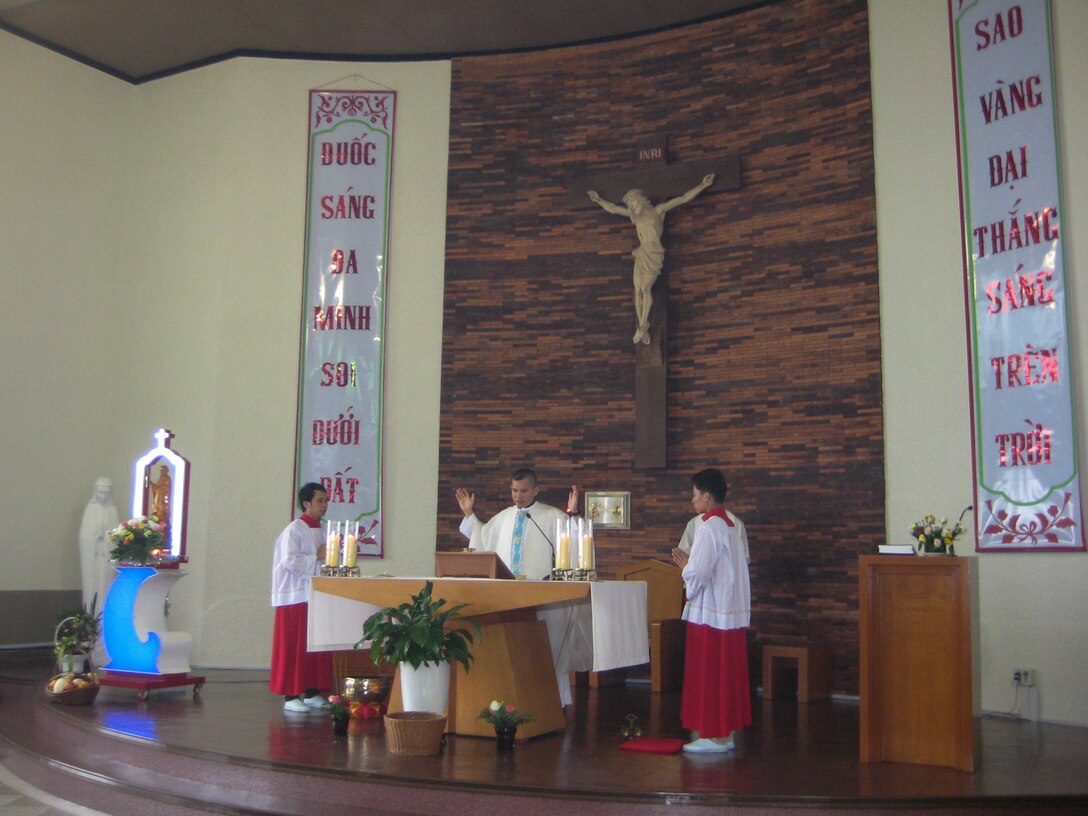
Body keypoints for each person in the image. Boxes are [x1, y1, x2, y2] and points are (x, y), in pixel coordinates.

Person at [670, 468, 751, 753]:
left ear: (706, 495)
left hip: (710, 612)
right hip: (727, 611)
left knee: (709, 671)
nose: (692, 501)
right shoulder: (730, 524)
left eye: (694, 495)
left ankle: (711, 735)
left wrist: (685, 568)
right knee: (724, 671)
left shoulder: (707, 527)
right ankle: (724, 733)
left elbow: (699, 573)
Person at [587, 174, 714, 344]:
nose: (631, 206)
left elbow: (682, 199)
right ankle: (642, 325)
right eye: (629, 204)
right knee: (637, 290)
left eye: (633, 202)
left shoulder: (658, 211)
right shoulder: (635, 218)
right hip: (642, 253)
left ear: (640, 199)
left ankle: (642, 325)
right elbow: (613, 209)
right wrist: (598, 200)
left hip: (654, 252)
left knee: (646, 287)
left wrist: (702, 185)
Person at [270, 482, 334, 713]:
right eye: (320, 500)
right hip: (294, 595)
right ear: (306, 503)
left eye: (326, 500)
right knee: (294, 645)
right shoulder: (294, 530)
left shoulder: (324, 529)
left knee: (315, 644)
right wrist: (316, 556)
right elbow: (290, 561)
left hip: (316, 593)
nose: (325, 505)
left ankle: (312, 692)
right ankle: (291, 695)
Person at [455, 468, 579, 580]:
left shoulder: (553, 516)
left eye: (523, 491)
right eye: (514, 490)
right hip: (505, 587)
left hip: (538, 588)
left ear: (536, 490)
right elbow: (480, 536)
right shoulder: (503, 517)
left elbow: (576, 540)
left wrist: (574, 512)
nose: (518, 496)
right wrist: (468, 513)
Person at [78, 477, 120, 627]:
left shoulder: (112, 510)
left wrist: (108, 539)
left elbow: (116, 536)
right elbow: (84, 536)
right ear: (95, 492)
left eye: (106, 493)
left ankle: (105, 624)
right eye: (100, 493)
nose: (103, 496)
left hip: (106, 557)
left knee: (106, 587)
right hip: (94, 558)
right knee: (93, 589)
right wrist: (96, 536)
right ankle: (91, 622)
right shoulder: (91, 509)